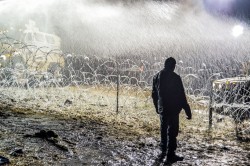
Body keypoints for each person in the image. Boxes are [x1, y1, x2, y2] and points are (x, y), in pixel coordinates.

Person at [152, 57, 192, 163]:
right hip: (173, 109)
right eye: (174, 65)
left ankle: (163, 150)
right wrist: (187, 109)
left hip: (162, 108)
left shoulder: (156, 77)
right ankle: (171, 154)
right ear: (173, 66)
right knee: (172, 131)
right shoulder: (175, 78)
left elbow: (154, 94)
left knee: (163, 129)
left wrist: (157, 107)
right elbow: (181, 95)